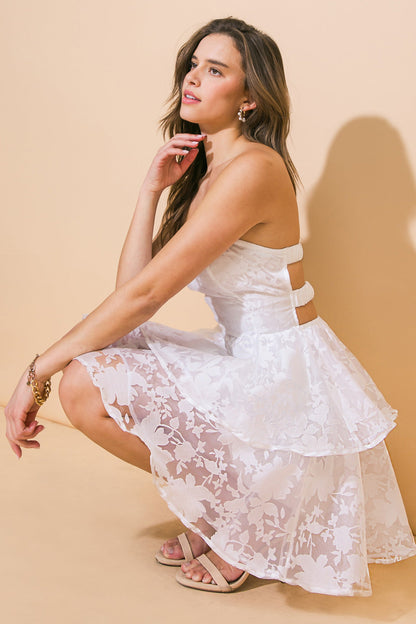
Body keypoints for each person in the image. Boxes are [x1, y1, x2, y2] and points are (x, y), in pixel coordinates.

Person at [4, 16, 415, 596]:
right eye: (193, 65)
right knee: (92, 374)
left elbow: (143, 299)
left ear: (250, 98)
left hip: (283, 374)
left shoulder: (255, 170)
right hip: (241, 355)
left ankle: (237, 523)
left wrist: (35, 371)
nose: (193, 79)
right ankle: (225, 513)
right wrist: (152, 190)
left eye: (215, 70)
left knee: (74, 383)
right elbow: (134, 292)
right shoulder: (209, 169)